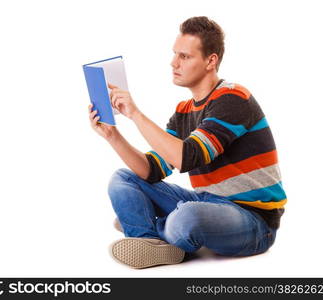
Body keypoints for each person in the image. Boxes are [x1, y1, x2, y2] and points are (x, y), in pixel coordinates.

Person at [88, 16, 287, 269]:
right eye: (174, 54)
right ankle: (150, 240)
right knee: (123, 179)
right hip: (206, 202)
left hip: (253, 221)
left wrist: (135, 114)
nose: (173, 63)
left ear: (210, 61)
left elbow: (188, 156)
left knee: (186, 217)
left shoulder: (233, 97)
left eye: (185, 56)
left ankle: (145, 221)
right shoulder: (184, 111)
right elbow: (152, 170)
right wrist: (112, 136)